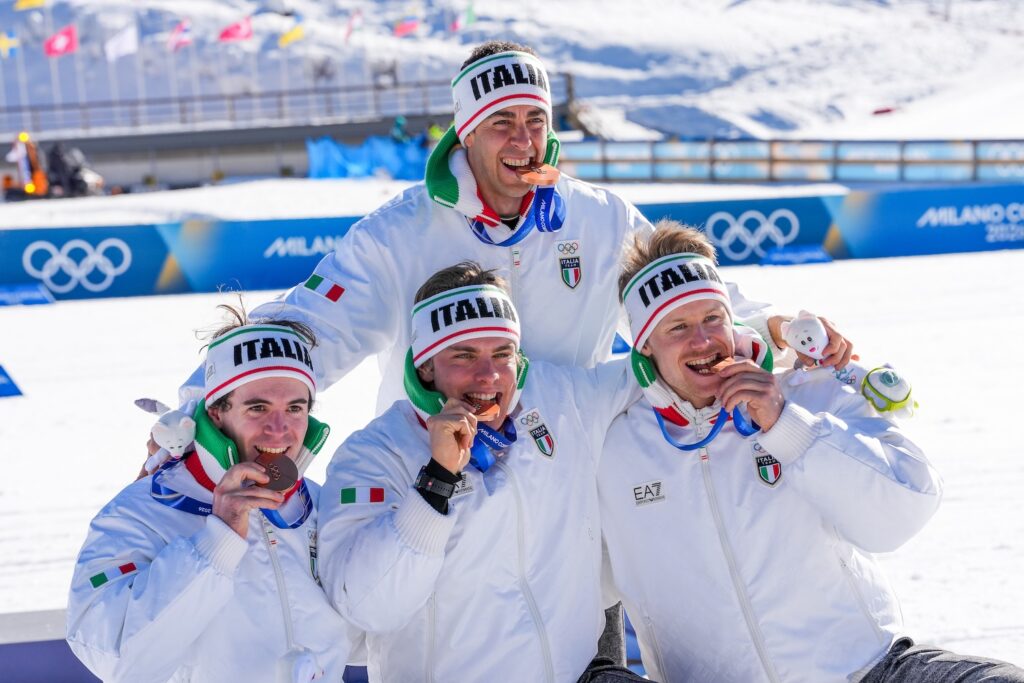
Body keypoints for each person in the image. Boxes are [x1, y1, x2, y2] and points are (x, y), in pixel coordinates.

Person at [191, 40, 849, 417]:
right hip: (439, 482)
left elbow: (699, 307)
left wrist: (780, 331)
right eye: (502, 123)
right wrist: (199, 406)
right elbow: (312, 327)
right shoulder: (399, 232)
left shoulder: (601, 217)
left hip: (570, 494)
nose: (524, 140)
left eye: (536, 121)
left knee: (591, 651)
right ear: (466, 131)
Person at [597, 223, 1024, 682]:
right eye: (678, 327)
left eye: (713, 319)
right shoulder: (612, 446)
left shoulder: (807, 393)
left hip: (866, 670)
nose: (703, 342)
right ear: (643, 346)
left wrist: (787, 426)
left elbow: (907, 508)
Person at [316, 262, 644, 682]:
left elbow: (667, 369)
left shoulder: (561, 401)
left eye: (502, 354)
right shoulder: (374, 454)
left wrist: (746, 341)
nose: (488, 375)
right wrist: (436, 482)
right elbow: (369, 607)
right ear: (425, 366)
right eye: (464, 355)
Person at [68, 312, 352, 682]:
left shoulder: (316, 504)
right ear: (216, 412)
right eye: (258, 407)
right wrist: (218, 541)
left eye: (295, 409)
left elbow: (367, 626)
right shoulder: (141, 509)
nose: (279, 429)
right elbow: (115, 659)